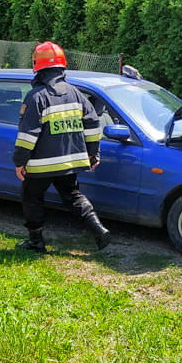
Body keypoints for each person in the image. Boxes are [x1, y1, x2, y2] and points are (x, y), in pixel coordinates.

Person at [13, 41, 111, 253]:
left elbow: (27, 136)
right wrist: (93, 154)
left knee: (31, 197)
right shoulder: (76, 93)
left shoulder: (36, 96)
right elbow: (94, 123)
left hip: (41, 164)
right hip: (70, 161)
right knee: (73, 195)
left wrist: (20, 162)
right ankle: (99, 229)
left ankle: (36, 242)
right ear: (62, 67)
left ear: (37, 67)